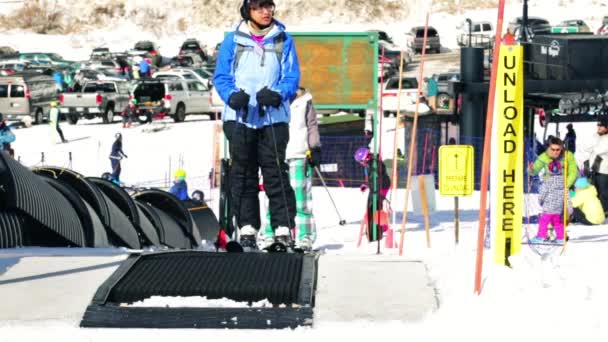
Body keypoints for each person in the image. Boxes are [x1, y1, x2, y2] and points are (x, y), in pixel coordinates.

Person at [213, 0, 300, 250]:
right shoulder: (233, 40)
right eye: (259, 7)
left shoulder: (283, 39)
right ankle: (247, 227)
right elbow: (221, 76)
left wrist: (279, 94)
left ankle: (283, 228)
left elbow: (292, 76)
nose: (266, 12)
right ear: (248, 11)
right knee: (243, 173)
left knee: (275, 172)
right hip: (240, 117)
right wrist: (231, 95)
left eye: (269, 6)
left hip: (273, 118)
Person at [263, 87, 321, 251]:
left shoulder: (304, 100)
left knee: (300, 199)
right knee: (273, 197)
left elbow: (312, 125)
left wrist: (314, 147)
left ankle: (305, 236)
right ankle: (271, 234)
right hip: (275, 154)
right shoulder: (271, 96)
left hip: (298, 154)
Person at [355, 146, 391, 241]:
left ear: (365, 158)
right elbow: (373, 179)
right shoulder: (371, 164)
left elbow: (377, 178)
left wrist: (374, 189)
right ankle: (380, 226)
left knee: (377, 205)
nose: (361, 164)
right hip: (378, 186)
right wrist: (367, 185)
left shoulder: (374, 164)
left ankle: (382, 226)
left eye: (361, 162)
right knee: (376, 205)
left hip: (382, 186)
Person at [532, 159, 570, 244]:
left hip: (548, 207)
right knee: (558, 223)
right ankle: (561, 238)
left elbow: (543, 193)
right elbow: (567, 196)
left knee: (543, 222)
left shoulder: (547, 181)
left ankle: (541, 237)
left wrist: (540, 201)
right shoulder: (564, 182)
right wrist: (569, 208)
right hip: (558, 208)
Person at [585, 117, 608, 213]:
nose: (598, 127)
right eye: (598, 125)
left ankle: (604, 211)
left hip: (604, 170)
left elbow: (599, 149)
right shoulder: (597, 136)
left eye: (601, 125)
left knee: (604, 193)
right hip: (594, 169)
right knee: (594, 192)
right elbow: (587, 147)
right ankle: (596, 211)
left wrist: (595, 141)